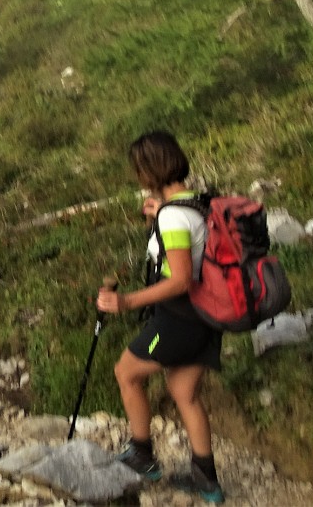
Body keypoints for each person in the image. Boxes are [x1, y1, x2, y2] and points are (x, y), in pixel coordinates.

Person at [96, 131, 224, 504]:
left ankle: (142, 456)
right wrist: (159, 214)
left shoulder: (174, 217)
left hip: (178, 319)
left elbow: (182, 278)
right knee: (184, 393)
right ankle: (207, 482)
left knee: (126, 372)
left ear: (147, 170)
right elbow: (190, 239)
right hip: (207, 317)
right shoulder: (198, 203)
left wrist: (129, 301)